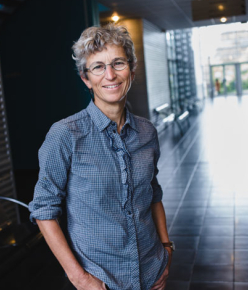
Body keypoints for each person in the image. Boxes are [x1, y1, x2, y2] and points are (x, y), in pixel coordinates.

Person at [29, 23, 173, 290]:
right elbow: (43, 211)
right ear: (86, 79)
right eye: (98, 67)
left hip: (153, 273)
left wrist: (166, 250)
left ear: (131, 69)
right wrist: (80, 279)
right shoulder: (65, 135)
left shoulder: (146, 132)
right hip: (101, 281)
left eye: (118, 63)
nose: (110, 75)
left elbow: (153, 194)